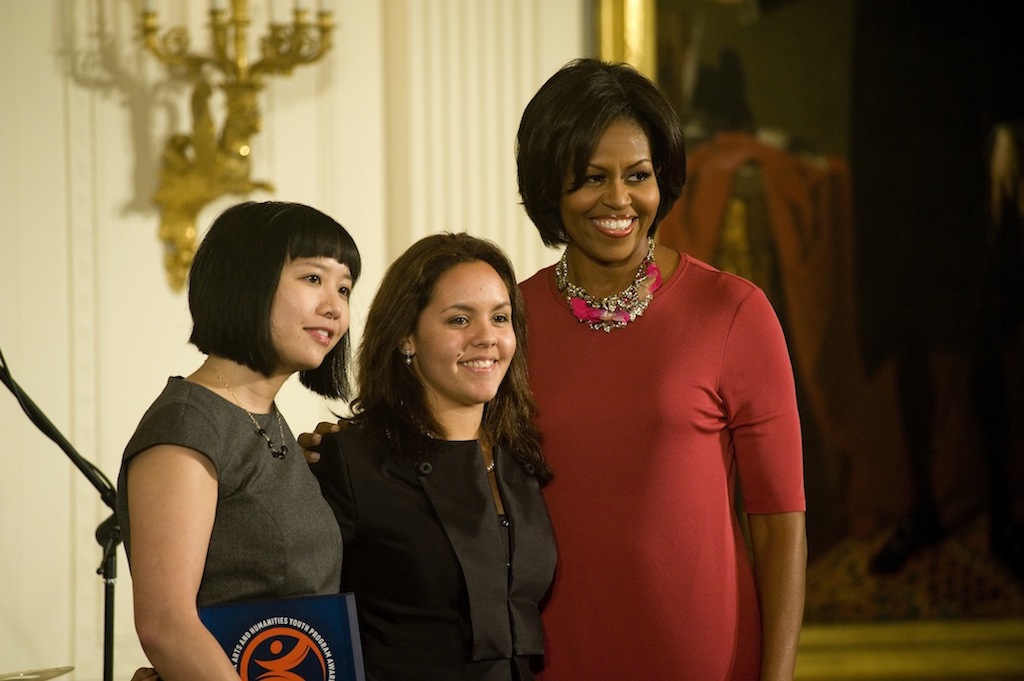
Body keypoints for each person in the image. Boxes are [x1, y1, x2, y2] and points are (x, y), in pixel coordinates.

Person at [515, 58, 806, 680]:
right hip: (556, 652)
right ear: (548, 186)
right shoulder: (508, 320)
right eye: (592, 177)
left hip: (705, 654)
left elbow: (780, 522)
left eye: (638, 176)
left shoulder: (734, 312)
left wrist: (777, 675)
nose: (619, 201)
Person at [116, 200, 361, 681]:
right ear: (247, 281)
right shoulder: (189, 424)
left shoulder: (267, 420)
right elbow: (167, 627)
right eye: (313, 279)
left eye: (345, 288)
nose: (334, 306)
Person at [308, 232, 556, 681]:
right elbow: (295, 616)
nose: (487, 337)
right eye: (460, 320)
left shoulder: (520, 459)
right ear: (407, 336)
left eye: (500, 318)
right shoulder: (347, 459)